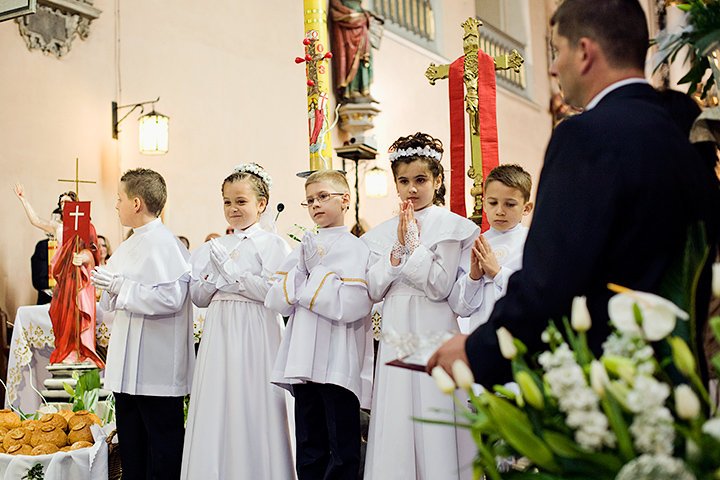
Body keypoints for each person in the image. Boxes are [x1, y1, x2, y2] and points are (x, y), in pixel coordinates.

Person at [427, 0, 716, 389]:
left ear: (584, 52)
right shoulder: (682, 135)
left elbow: (553, 278)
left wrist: (478, 351)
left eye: (556, 50)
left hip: (605, 379)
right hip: (681, 374)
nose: (551, 67)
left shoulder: (585, 136)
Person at [361, 132, 479, 480]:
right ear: (395, 183)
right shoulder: (381, 232)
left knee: (433, 401)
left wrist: (415, 247)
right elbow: (373, 288)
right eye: (404, 181)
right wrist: (396, 254)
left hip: (434, 322)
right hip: (397, 322)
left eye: (421, 180)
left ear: (437, 180)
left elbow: (440, 286)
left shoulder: (451, 226)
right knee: (398, 406)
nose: (412, 189)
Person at [181, 164, 294, 480]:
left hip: (256, 328)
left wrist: (236, 278)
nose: (233, 209)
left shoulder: (273, 245)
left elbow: (277, 294)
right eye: (227, 202)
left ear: (261, 204)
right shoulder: (212, 247)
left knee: (254, 399)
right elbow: (199, 297)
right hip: (220, 329)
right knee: (219, 400)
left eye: (241, 202)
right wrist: (212, 278)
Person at [266, 169, 373, 480]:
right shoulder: (303, 246)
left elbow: (353, 305)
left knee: (343, 447)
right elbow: (278, 299)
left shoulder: (357, 248)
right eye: (310, 200)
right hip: (303, 358)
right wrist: (302, 271)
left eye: (323, 196)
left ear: (345, 200)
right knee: (309, 443)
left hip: (337, 358)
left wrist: (317, 274)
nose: (315, 205)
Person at [92, 168, 195, 480]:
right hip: (127, 371)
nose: (116, 205)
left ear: (136, 203)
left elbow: (170, 299)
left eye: (119, 199)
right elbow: (111, 295)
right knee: (133, 452)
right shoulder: (129, 245)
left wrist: (120, 287)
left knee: (162, 453)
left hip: (156, 372)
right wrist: (102, 289)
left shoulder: (166, 245)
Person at [14, 184, 104, 366]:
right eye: (61, 203)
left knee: (79, 313)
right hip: (65, 278)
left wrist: (83, 257)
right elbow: (36, 220)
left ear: (76, 204)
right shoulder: (58, 227)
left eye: (67, 202)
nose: (64, 206)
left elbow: (92, 251)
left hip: (80, 279)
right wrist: (24, 200)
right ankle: (68, 349)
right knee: (65, 314)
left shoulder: (86, 226)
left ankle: (82, 350)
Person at [449, 164, 533, 334]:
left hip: (517, 332)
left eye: (510, 204)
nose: (499, 211)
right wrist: (473, 278)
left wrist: (497, 273)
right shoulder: (475, 243)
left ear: (526, 208)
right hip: (479, 332)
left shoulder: (531, 242)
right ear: (484, 204)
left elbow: (534, 293)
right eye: (493, 203)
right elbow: (460, 308)